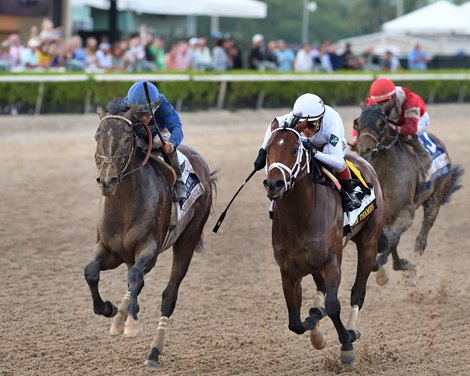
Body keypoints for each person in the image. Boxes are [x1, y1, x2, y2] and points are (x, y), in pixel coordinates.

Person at [253, 93, 363, 211]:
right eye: (302, 125)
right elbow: (273, 125)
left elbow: (338, 163)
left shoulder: (330, 127)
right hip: (306, 144)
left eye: (311, 125)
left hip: (328, 144)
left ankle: (351, 192)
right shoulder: (292, 118)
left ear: (320, 120)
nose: (306, 130)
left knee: (331, 157)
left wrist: (314, 152)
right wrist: (263, 151)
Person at [351, 77, 431, 175]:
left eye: (384, 102)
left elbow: (411, 128)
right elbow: (363, 123)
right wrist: (356, 140)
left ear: (393, 97)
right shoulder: (373, 102)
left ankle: (423, 154)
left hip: (417, 120)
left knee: (406, 136)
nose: (381, 106)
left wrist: (391, 127)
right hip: (392, 119)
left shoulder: (410, 101)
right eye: (378, 103)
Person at [123, 80, 186, 201]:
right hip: (137, 133)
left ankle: (178, 182)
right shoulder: (124, 104)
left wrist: (172, 143)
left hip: (160, 133)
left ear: (155, 107)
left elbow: (176, 127)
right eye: (139, 114)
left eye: (147, 114)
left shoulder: (163, 104)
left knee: (160, 142)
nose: (143, 118)